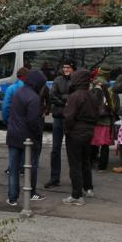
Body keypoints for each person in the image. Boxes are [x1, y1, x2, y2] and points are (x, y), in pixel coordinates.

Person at [6, 70, 47, 206]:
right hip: (27, 138)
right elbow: (32, 121)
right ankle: (31, 193)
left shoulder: (18, 92)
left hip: (13, 135)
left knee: (13, 168)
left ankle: (12, 198)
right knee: (30, 166)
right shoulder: (34, 98)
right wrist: (38, 134)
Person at [62, 69, 97, 205]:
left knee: (75, 164)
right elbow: (96, 114)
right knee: (85, 161)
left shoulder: (75, 96)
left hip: (76, 132)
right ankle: (88, 188)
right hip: (88, 131)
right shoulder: (92, 95)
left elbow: (69, 117)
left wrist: (68, 130)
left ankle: (76, 195)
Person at [46, 59, 75, 188]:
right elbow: (52, 96)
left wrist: (63, 99)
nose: (65, 69)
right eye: (64, 67)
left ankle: (74, 178)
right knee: (55, 149)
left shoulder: (76, 80)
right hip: (58, 116)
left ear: (73, 68)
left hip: (71, 118)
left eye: (68, 67)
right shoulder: (58, 80)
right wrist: (66, 100)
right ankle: (54, 177)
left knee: (72, 149)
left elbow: (76, 98)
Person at [89, 68, 117, 172]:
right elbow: (115, 105)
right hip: (106, 120)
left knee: (94, 142)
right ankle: (103, 166)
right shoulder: (110, 87)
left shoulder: (92, 85)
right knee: (105, 144)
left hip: (95, 120)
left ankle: (91, 162)